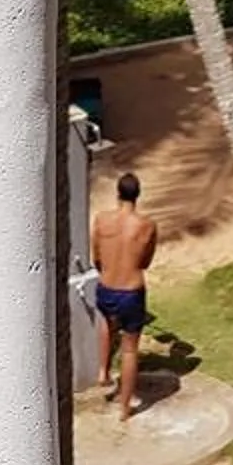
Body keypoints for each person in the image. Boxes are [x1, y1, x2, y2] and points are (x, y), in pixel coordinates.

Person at [92, 171, 161, 421]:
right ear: (137, 196)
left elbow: (96, 257)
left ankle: (103, 371)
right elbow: (145, 262)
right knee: (130, 349)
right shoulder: (147, 226)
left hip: (106, 286)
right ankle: (124, 408)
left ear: (117, 194)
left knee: (107, 324)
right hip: (131, 291)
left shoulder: (101, 220)